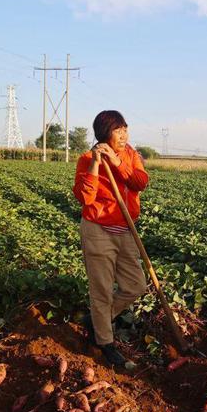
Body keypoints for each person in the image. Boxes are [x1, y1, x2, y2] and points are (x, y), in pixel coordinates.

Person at [73, 110, 149, 366]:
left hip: (126, 229)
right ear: (104, 135)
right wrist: (96, 163)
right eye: (118, 131)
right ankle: (104, 341)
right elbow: (85, 198)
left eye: (125, 129)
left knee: (136, 285)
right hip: (98, 230)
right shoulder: (86, 159)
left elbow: (140, 182)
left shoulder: (132, 156)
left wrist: (117, 163)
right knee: (102, 291)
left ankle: (97, 320)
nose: (124, 135)